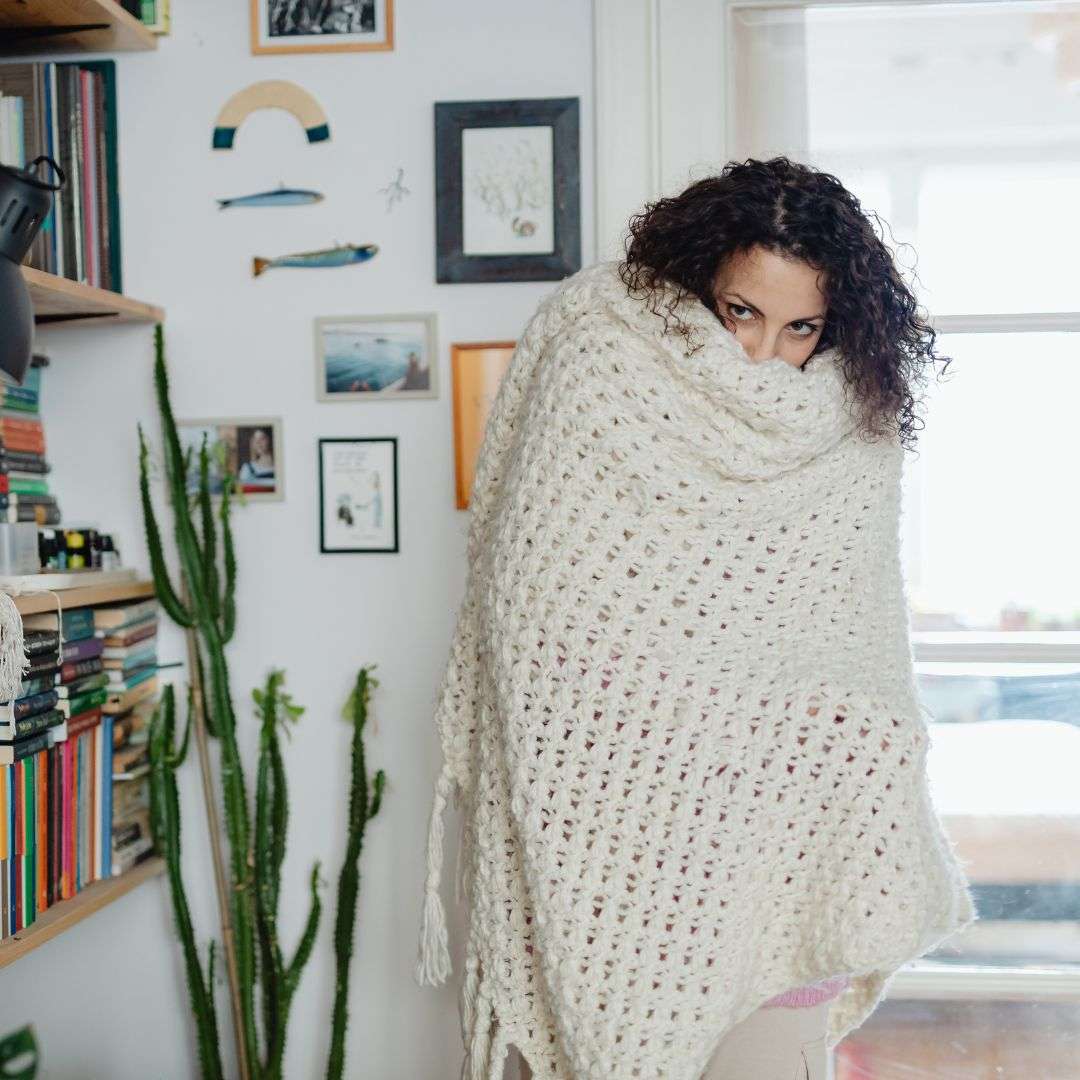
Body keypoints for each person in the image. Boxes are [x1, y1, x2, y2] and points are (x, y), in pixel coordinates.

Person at [418, 156, 976, 1080]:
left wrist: (858, 740)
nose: (764, 356)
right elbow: (536, 629)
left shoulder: (855, 423)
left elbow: (857, 650)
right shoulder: (601, 350)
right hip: (596, 871)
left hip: (772, 897)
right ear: (697, 279)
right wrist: (690, 717)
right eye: (742, 312)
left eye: (802, 328)